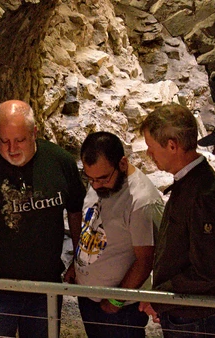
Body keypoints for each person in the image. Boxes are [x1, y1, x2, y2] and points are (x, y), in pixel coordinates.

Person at [0, 100, 86, 338]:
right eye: (4, 141)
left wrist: (78, 260)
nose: (12, 148)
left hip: (46, 288)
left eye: (20, 140)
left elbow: (76, 212)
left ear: (34, 132)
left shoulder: (60, 163)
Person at [137, 103, 215, 337]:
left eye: (151, 147)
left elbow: (208, 271)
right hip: (184, 312)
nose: (149, 154)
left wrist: (160, 299)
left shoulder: (206, 194)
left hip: (194, 318)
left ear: (172, 146)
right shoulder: (190, 183)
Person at [63, 131, 164, 337]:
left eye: (102, 179)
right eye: (90, 179)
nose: (96, 185)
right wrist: (76, 264)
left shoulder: (141, 201)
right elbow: (91, 224)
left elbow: (146, 260)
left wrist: (117, 299)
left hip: (120, 308)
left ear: (122, 164)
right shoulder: (100, 180)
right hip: (89, 296)